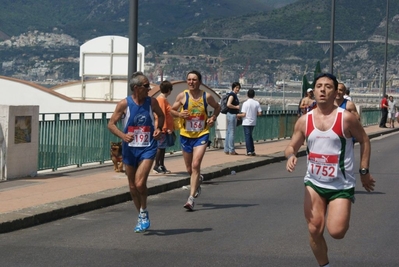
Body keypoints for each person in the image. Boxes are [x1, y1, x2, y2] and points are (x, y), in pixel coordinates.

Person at [284, 73, 375, 267]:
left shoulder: (346, 119)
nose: (323, 90)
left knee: (336, 231)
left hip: (341, 184)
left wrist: (364, 171)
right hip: (314, 183)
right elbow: (291, 146)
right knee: (315, 228)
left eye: (328, 86)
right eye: (318, 86)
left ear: (336, 92)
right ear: (314, 91)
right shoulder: (304, 121)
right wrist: (291, 155)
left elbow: (365, 140)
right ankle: (324, 265)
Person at [108, 71, 164, 233]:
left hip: (148, 147)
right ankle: (141, 214)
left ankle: (144, 210)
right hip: (130, 149)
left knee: (140, 183)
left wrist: (158, 128)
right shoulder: (124, 104)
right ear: (136, 88)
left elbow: (160, 116)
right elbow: (111, 124)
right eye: (146, 86)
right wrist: (123, 135)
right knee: (132, 186)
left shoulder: (152, 102)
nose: (149, 88)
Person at [171, 70, 221, 211]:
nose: (191, 82)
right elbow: (171, 110)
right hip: (186, 135)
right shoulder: (182, 96)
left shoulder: (207, 96)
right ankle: (197, 182)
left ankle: (191, 199)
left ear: (199, 82)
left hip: (201, 134)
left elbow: (218, 107)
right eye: (189, 79)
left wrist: (213, 118)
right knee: (189, 169)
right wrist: (180, 114)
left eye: (194, 79)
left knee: (196, 164)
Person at [153, 80, 175, 174]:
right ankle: (156, 165)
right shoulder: (161, 100)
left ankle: (161, 165)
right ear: (168, 90)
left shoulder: (163, 99)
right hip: (162, 128)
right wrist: (164, 128)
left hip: (164, 128)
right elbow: (161, 115)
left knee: (163, 148)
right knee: (160, 147)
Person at [237, 89, 262, 156]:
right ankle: (252, 150)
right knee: (250, 136)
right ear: (254, 95)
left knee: (247, 136)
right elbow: (260, 113)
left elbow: (244, 114)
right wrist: (254, 113)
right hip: (253, 121)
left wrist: (237, 115)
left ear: (247, 95)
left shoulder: (245, 103)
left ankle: (249, 151)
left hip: (246, 121)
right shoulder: (256, 103)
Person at [223, 82, 241, 155]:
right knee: (232, 133)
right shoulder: (232, 95)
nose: (238, 89)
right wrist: (236, 107)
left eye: (238, 88)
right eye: (236, 87)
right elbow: (228, 104)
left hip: (231, 114)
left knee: (229, 132)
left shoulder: (234, 95)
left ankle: (227, 149)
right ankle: (231, 150)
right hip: (231, 115)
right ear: (233, 87)